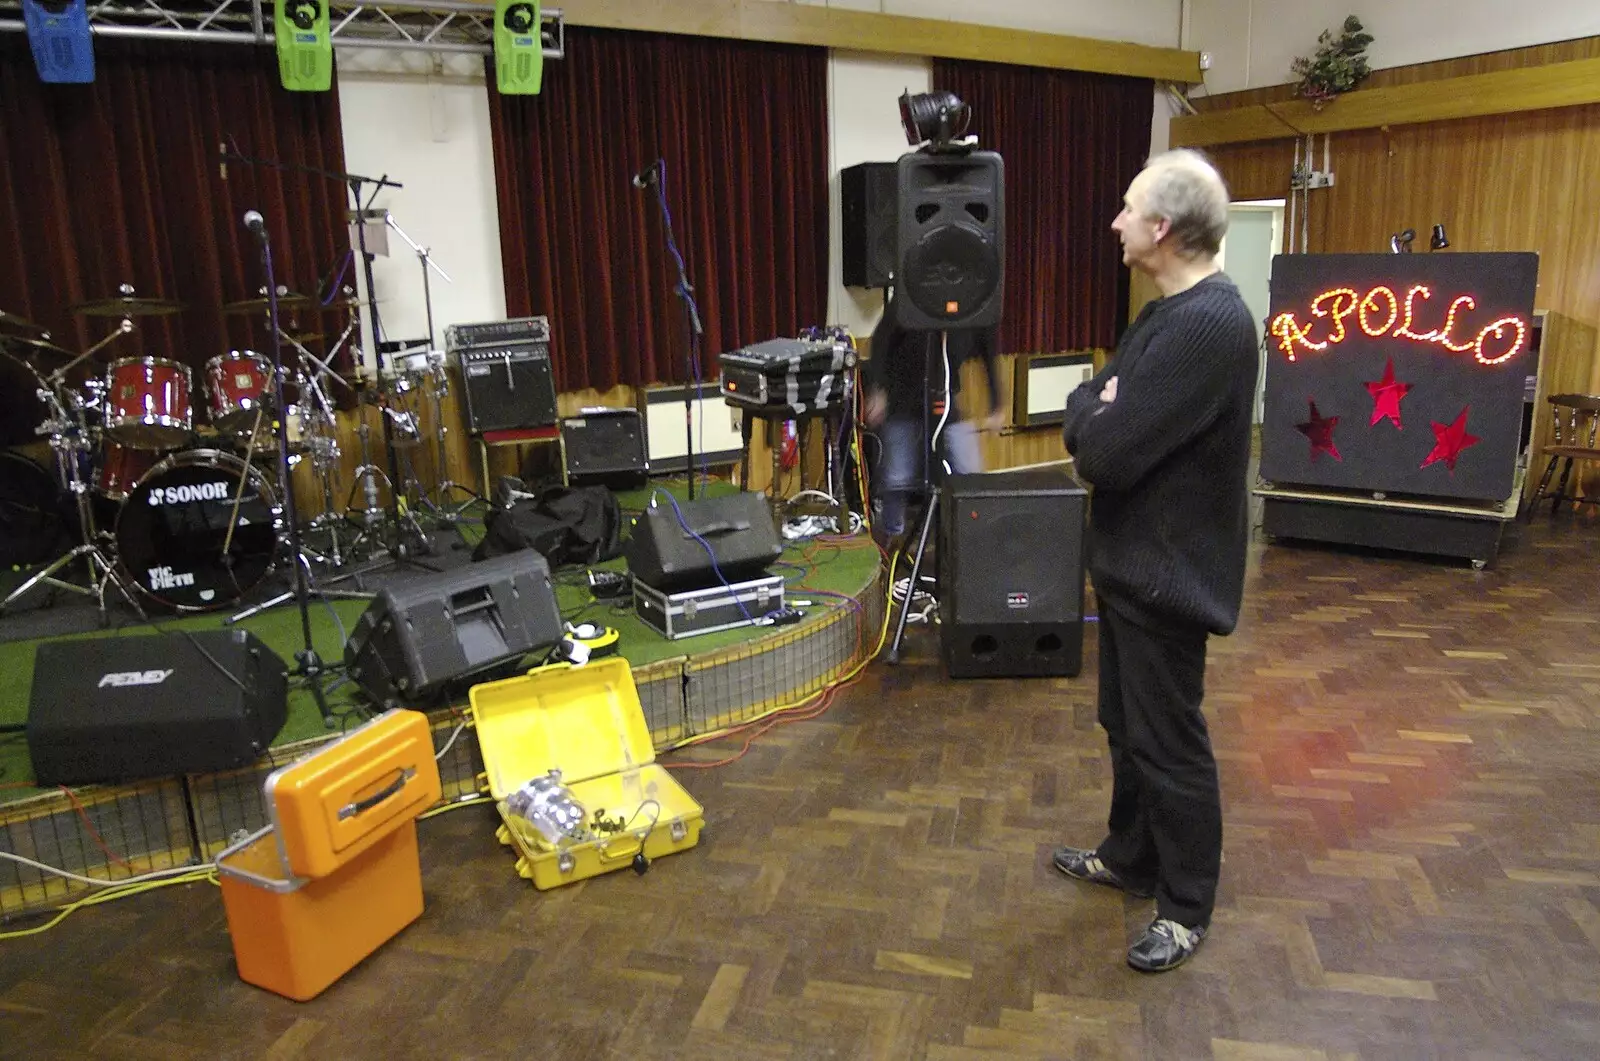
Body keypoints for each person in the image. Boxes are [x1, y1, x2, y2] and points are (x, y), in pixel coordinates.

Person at [1053, 149, 1258, 973]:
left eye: (1128, 208)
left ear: (1163, 229)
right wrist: (1096, 411)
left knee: (1171, 744)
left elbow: (1103, 451)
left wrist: (1101, 416)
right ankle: (1131, 858)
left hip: (1171, 578)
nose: (1116, 222)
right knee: (1125, 727)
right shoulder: (1159, 316)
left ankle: (1185, 904)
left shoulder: (1209, 325)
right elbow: (1087, 409)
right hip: (1132, 569)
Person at [862, 288, 1005, 539]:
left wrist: (997, 405)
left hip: (947, 402)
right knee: (896, 479)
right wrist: (877, 389)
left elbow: (988, 353)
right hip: (902, 402)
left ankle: (972, 540)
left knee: (970, 474)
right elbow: (881, 343)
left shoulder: (976, 304)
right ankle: (891, 547)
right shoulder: (912, 294)